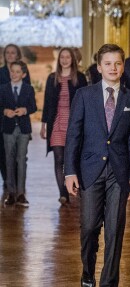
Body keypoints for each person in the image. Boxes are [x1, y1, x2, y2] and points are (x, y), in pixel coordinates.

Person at [64, 43, 130, 287]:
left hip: (119, 175)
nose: (113, 68)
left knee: (114, 232)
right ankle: (87, 269)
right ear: (99, 67)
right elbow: (73, 134)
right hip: (89, 171)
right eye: (107, 63)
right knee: (88, 227)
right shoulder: (84, 95)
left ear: (123, 66)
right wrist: (69, 171)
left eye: (118, 63)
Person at [41, 48, 88, 205]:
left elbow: (86, 103)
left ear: (72, 59)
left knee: (75, 157)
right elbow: (47, 103)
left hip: (75, 123)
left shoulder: (80, 78)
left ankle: (77, 188)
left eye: (68, 57)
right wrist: (43, 125)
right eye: (62, 57)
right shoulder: (52, 78)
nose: (65, 59)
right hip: (56, 122)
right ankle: (63, 194)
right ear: (59, 59)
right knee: (59, 159)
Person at [0, 61, 36, 207]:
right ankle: (11, 193)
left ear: (24, 74)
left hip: (23, 129)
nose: (14, 74)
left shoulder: (29, 89)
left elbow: (33, 106)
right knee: (8, 159)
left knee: (21, 160)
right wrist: (4, 111)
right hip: (8, 129)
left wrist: (25, 110)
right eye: (12, 71)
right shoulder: (2, 89)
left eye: (17, 72)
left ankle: (21, 193)